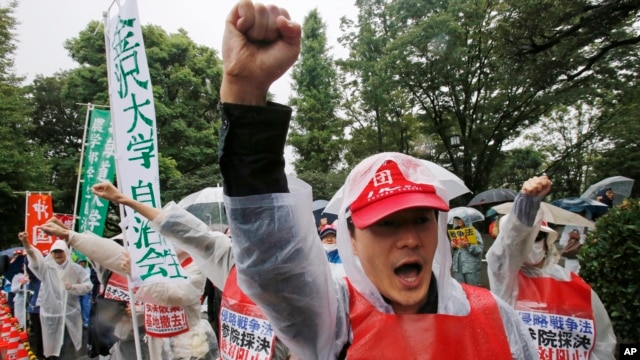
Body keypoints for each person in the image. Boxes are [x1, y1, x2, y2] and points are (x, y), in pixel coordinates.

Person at [216, 2, 537, 358]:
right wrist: (245, 90)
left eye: (421, 219)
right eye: (385, 224)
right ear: (350, 239)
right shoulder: (333, 320)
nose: (410, 239)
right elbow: (271, 260)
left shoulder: (495, 316)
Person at [89, 180, 297, 360]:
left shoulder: (298, 271)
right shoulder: (229, 256)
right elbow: (186, 229)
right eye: (243, 219)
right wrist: (125, 200)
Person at [40, 220, 217, 360]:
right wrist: (71, 236)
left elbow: (176, 295)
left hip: (188, 345)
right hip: (144, 342)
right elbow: (113, 255)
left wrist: (136, 273)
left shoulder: (194, 263)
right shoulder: (152, 260)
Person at [486, 176, 616, 359]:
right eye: (525, 240)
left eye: (537, 237)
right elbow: (507, 247)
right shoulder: (505, 280)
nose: (529, 245)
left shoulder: (575, 284)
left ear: (548, 242)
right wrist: (527, 203)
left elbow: (603, 344)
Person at [17, 234, 93, 360]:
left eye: (60, 252)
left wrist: (73, 287)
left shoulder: (76, 269)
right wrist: (26, 243)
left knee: (67, 350)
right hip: (50, 316)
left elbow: (88, 285)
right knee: (52, 349)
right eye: (55, 252)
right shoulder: (46, 269)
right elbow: (34, 258)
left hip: (70, 315)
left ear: (66, 252)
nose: (57, 254)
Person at [450, 216, 483, 286]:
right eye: (457, 219)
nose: (458, 221)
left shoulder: (474, 232)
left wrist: (468, 245)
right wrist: (452, 246)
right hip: (457, 267)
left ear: (466, 220)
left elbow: (479, 249)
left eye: (460, 219)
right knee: (460, 289)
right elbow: (452, 252)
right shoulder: (455, 232)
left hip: (470, 266)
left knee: (473, 289)